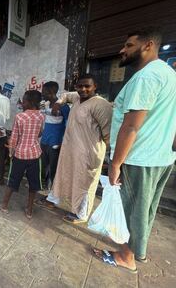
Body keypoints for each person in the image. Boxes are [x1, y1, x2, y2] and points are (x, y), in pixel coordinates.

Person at [92, 28, 176, 273]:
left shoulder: (145, 77)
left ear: (148, 45)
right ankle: (135, 249)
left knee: (133, 210)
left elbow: (130, 126)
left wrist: (116, 164)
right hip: (161, 157)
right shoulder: (170, 75)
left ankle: (127, 256)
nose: (122, 50)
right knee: (146, 208)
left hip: (139, 157)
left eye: (128, 45)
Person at [48, 74, 112, 223]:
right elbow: (65, 95)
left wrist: (109, 159)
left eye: (87, 86)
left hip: (88, 154)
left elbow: (108, 135)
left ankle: (81, 214)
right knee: (68, 177)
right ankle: (56, 200)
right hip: (70, 150)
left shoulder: (101, 105)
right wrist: (58, 103)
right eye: (80, 86)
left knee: (85, 184)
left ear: (95, 86)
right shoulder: (77, 98)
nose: (83, 89)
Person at [0, 90, 45, 219]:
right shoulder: (41, 116)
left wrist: (10, 152)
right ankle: (29, 210)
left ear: (30, 102)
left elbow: (13, 138)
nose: (21, 103)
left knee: (12, 181)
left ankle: (4, 205)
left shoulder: (20, 117)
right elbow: (40, 133)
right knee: (33, 185)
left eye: (23, 101)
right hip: (35, 155)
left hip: (20, 155)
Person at [34, 81, 70, 207]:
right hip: (45, 141)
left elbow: (68, 125)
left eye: (44, 92)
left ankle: (54, 197)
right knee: (45, 167)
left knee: (54, 170)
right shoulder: (47, 105)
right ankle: (49, 192)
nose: (42, 94)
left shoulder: (64, 107)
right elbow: (44, 121)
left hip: (55, 142)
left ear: (51, 92)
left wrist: (62, 142)